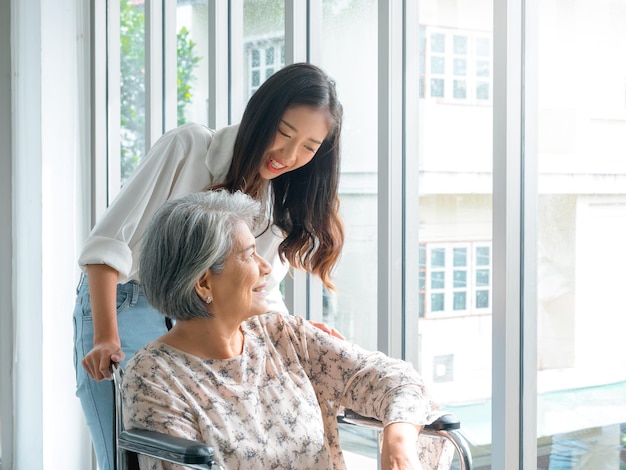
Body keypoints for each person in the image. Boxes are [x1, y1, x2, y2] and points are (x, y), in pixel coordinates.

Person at [73, 62, 345, 470]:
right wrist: (104, 337)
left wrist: (296, 335)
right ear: (260, 115)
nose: (288, 155)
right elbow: (107, 247)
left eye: (308, 147)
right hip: (126, 306)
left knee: (202, 454)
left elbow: (261, 291)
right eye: (284, 133)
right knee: (128, 456)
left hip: (205, 326)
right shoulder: (189, 147)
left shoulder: (275, 203)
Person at [122, 190, 453, 470]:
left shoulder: (283, 336)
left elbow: (394, 377)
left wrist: (397, 441)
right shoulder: (153, 378)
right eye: (251, 254)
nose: (265, 266)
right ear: (204, 282)